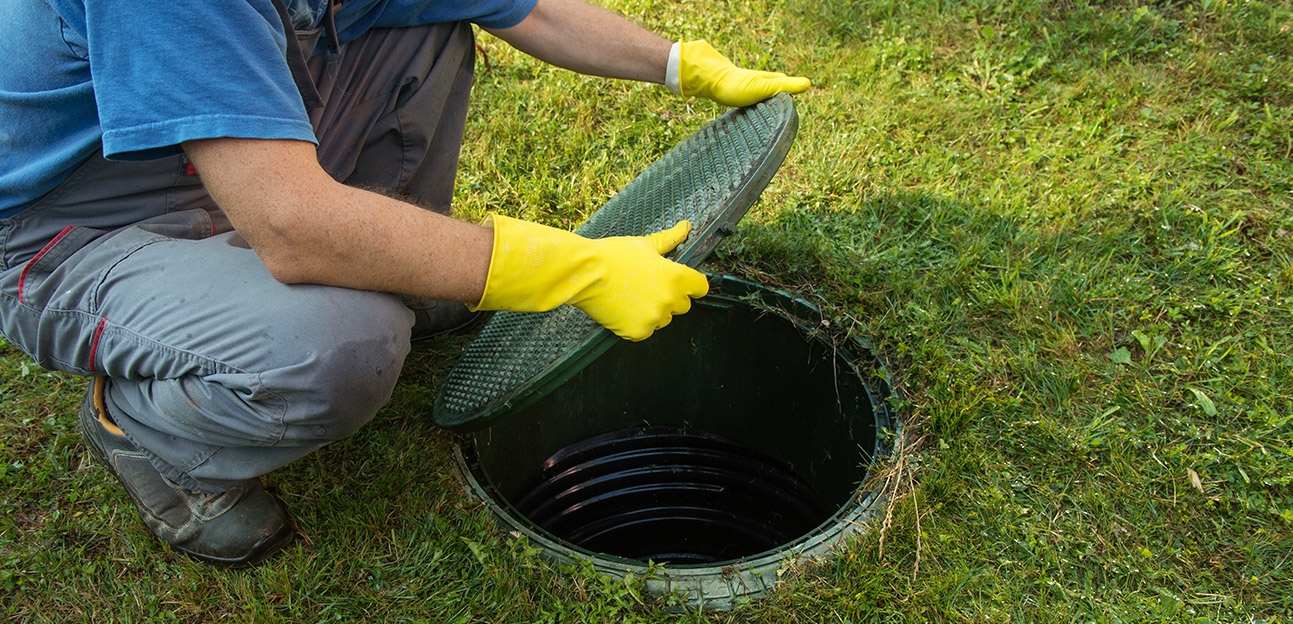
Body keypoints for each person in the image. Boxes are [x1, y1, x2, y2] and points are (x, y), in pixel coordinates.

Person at [0, 0, 810, 567]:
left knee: (424, 29)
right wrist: (566, 266)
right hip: (71, 224)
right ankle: (146, 433)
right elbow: (291, 225)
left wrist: (682, 66)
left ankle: (384, 268)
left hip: (218, 158)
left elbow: (522, 7)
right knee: (334, 346)